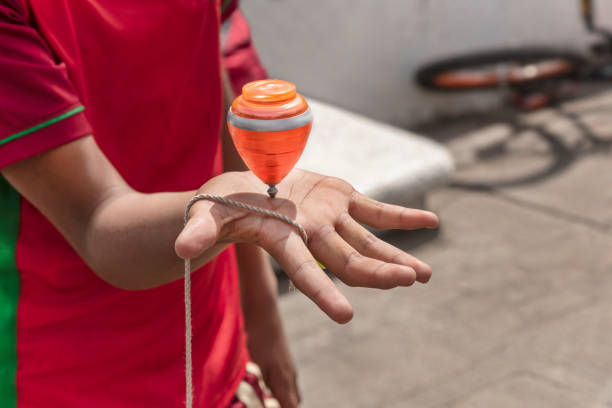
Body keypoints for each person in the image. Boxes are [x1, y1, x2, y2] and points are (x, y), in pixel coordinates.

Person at [0, 0, 439, 407]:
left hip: (215, 352)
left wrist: (262, 317)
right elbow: (98, 219)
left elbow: (229, 113)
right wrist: (235, 211)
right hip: (55, 380)